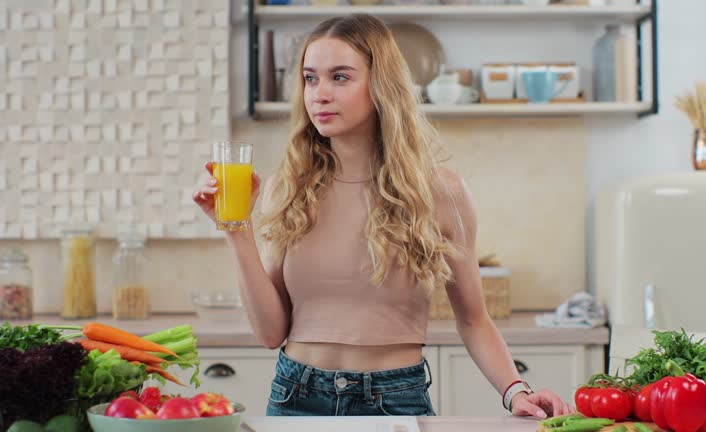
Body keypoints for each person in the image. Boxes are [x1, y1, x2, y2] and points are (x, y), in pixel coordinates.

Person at [194, 13, 574, 418]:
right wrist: (236, 227)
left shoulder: (440, 190)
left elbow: (474, 318)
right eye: (310, 78)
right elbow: (270, 333)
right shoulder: (286, 187)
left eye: (340, 77)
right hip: (296, 396)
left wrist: (516, 391)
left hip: (395, 400)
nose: (319, 94)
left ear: (381, 86)